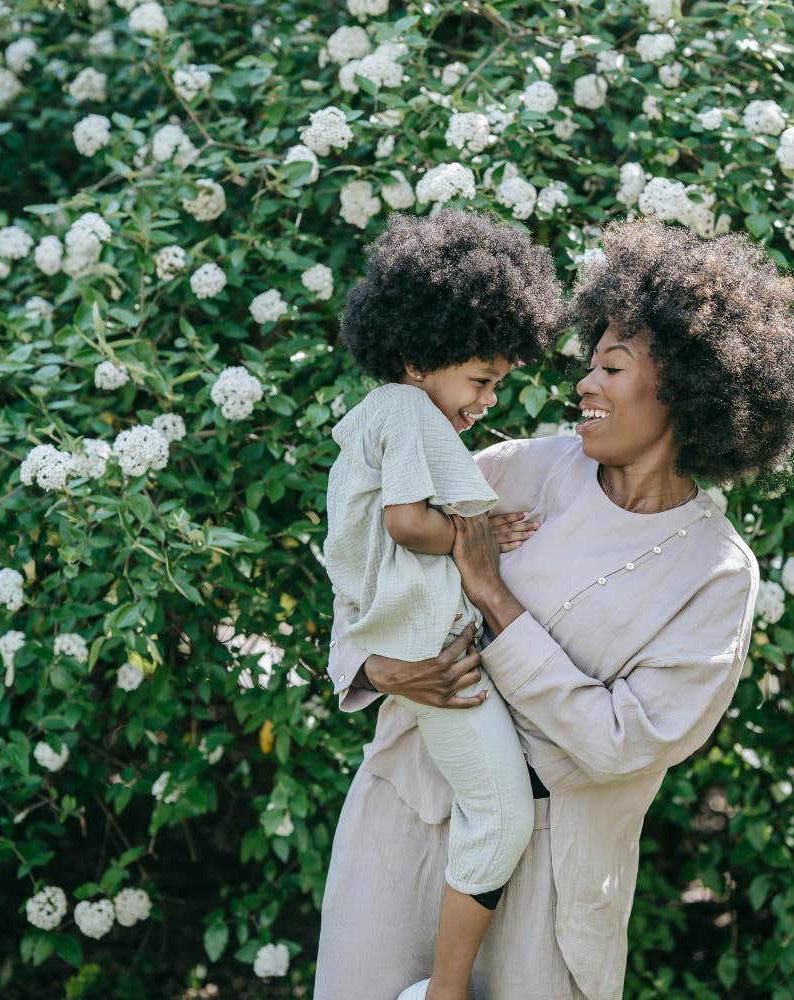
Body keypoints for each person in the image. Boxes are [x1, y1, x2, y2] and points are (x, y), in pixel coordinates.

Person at [314, 218, 794, 1000]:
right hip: (404, 817)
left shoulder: (717, 575)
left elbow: (623, 745)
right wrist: (373, 665)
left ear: (690, 391)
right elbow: (369, 562)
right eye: (589, 365)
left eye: (612, 368)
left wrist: (492, 593)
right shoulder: (517, 468)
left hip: (556, 874)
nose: (584, 385)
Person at [322, 209, 567, 1000]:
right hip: (440, 662)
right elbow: (407, 523)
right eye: (483, 378)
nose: (490, 398)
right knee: (502, 822)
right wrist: (476, 540)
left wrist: (474, 524)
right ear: (421, 354)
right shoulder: (407, 410)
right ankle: (445, 991)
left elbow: (395, 531)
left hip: (428, 655)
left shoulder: (387, 415)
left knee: (494, 816)